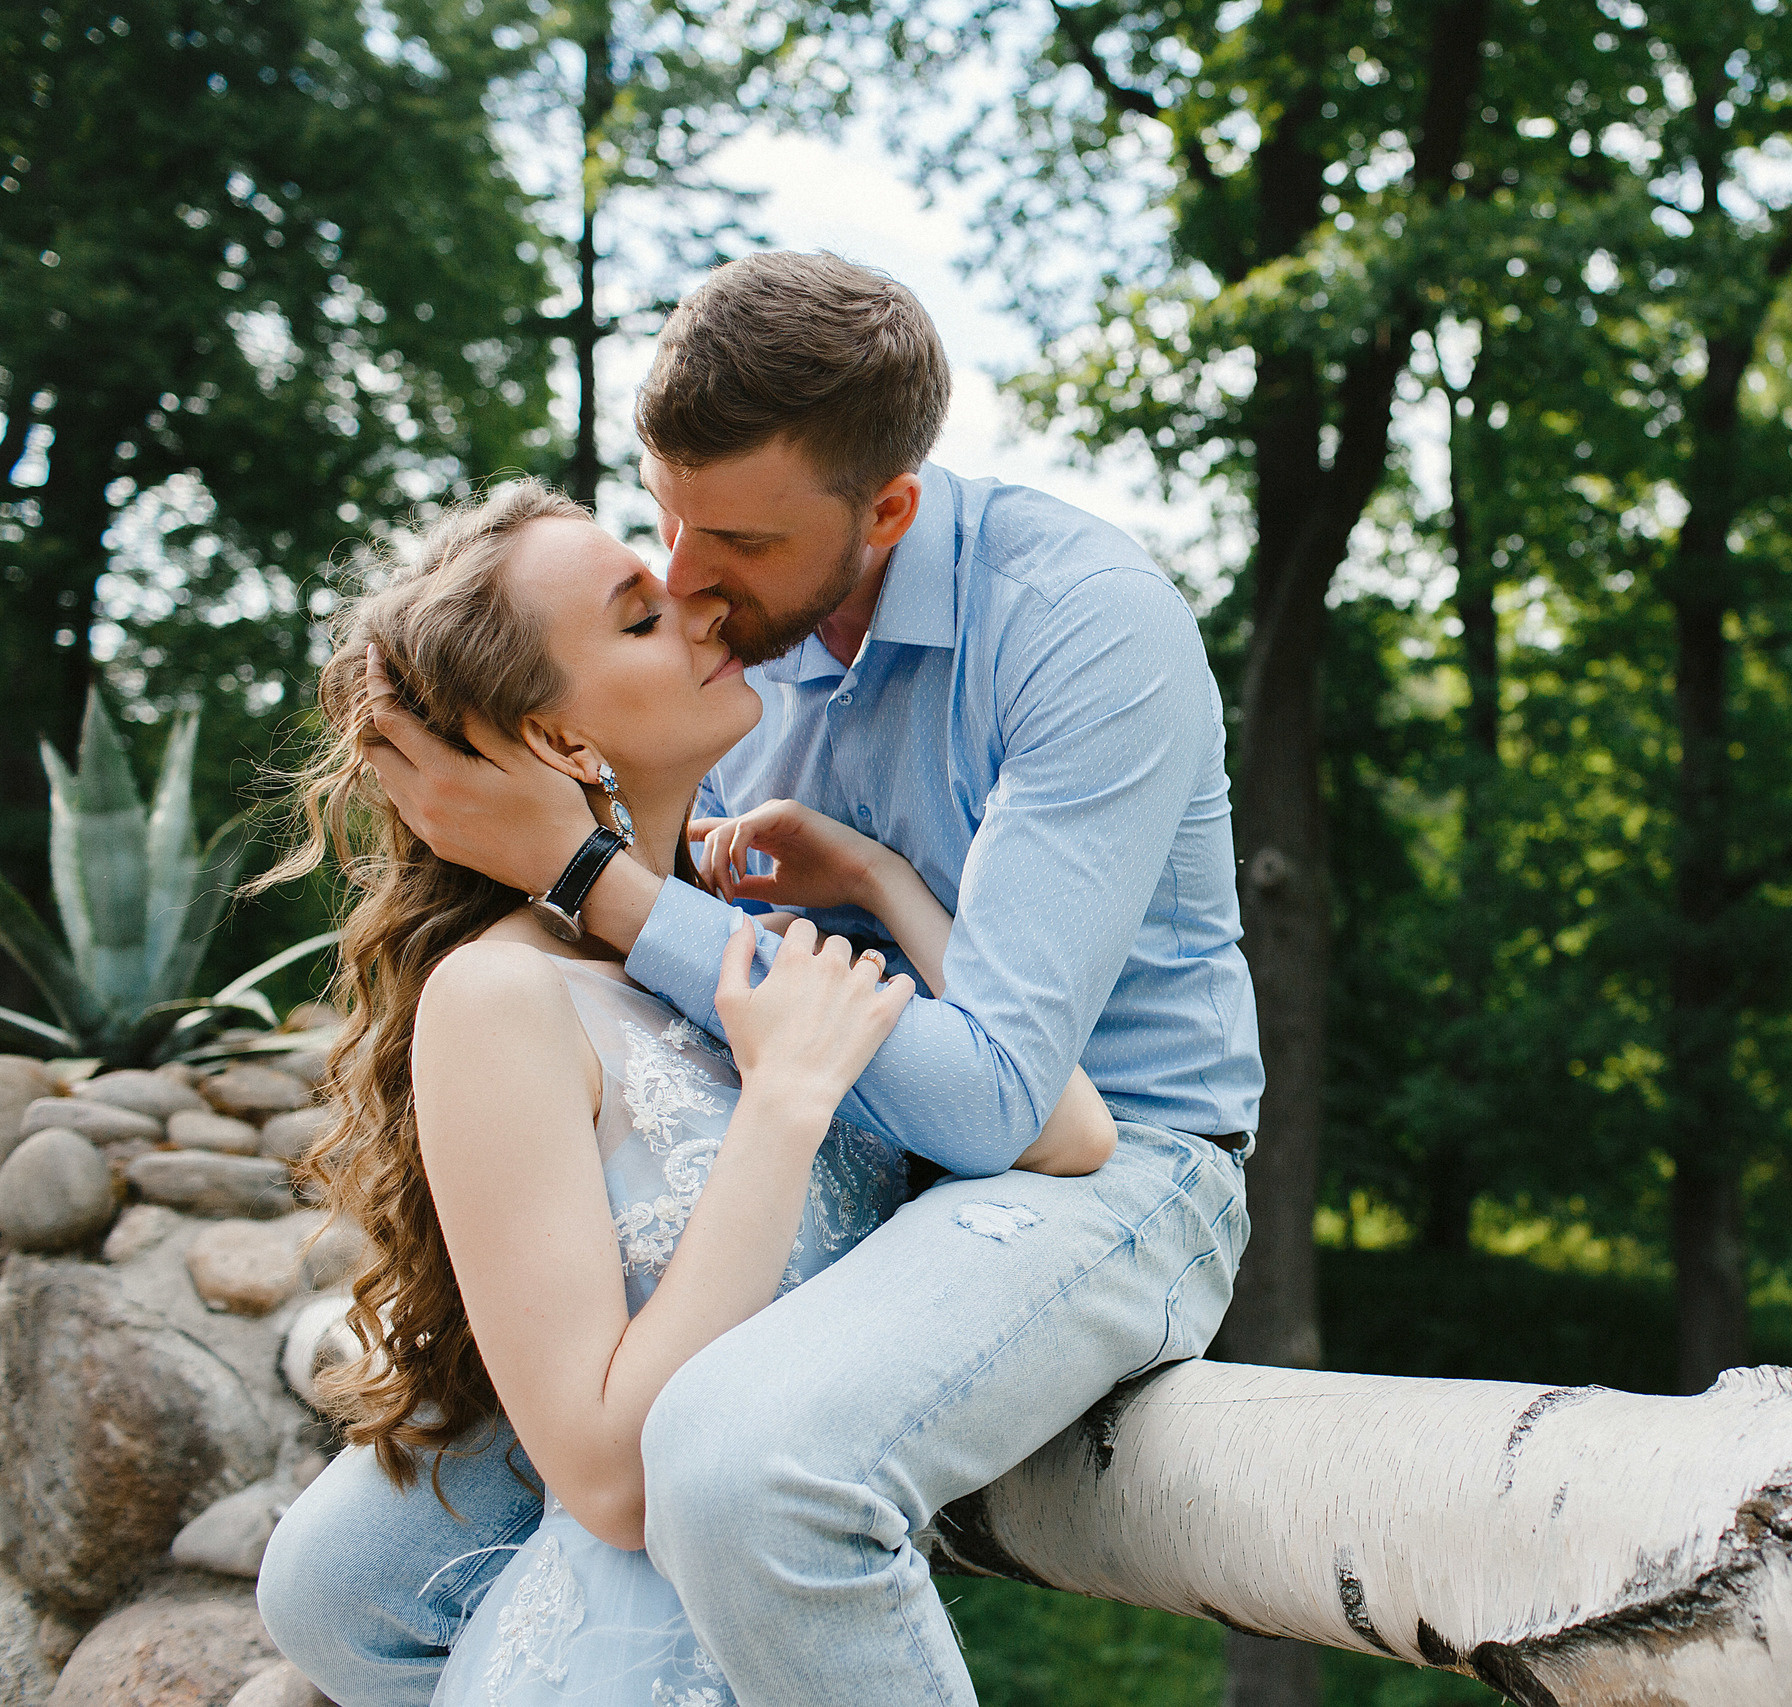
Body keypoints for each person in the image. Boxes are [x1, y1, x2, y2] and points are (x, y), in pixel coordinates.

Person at [258, 253, 1262, 1706]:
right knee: (337, 1582)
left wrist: (596, 876)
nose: (685, 578)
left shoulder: (1082, 626)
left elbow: (999, 1106)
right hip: (854, 1132)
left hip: (1109, 1169)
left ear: (889, 509)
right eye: (662, 522)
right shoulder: (739, 648)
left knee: (742, 1467)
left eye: (728, 539)